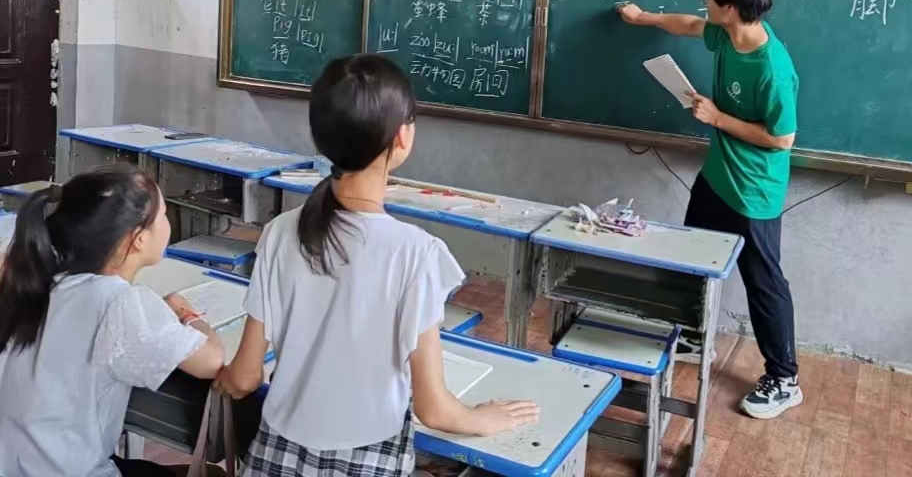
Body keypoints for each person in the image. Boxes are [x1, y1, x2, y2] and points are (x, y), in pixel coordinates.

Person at [216, 54, 539, 476]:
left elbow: (243, 378)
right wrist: (483, 418)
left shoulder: (279, 231)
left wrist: (213, 365)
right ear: (402, 136)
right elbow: (433, 409)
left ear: (320, 138)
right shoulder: (417, 252)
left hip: (274, 454)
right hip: (370, 460)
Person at [618, 0, 802, 420]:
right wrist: (643, 18)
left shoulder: (772, 68)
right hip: (717, 175)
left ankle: (785, 379)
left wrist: (718, 118)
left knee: (764, 283)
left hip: (754, 191)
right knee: (692, 257)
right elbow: (688, 25)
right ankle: (697, 336)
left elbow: (782, 139)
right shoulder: (726, 33)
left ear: (731, 7)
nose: (704, 3)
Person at [0, 168, 226, 477]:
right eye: (162, 215)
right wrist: (184, 311)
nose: (167, 222)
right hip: (68, 471)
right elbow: (212, 361)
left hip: (16, 466)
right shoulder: (119, 302)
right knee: (212, 474)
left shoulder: (43, 277)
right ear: (138, 238)